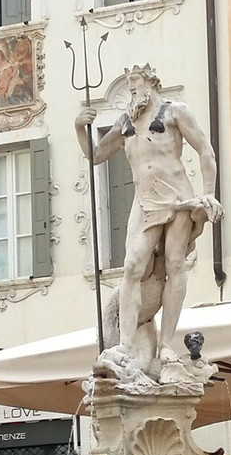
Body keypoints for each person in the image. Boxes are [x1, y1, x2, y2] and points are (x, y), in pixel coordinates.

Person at [74, 63, 223, 371]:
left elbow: (205, 151)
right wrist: (79, 127)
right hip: (145, 202)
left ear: (152, 83)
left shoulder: (174, 111)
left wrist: (209, 193)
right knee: (131, 266)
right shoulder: (124, 122)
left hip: (178, 197)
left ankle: (167, 344)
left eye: (136, 83)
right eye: (129, 85)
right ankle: (126, 344)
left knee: (174, 264)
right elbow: (96, 156)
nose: (132, 89)